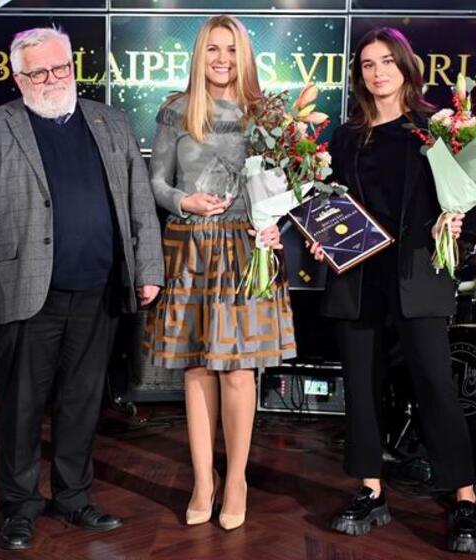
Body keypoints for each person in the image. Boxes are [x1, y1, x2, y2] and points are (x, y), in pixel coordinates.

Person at [0, 27, 164, 550]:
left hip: (99, 289)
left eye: (61, 68)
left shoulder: (111, 122)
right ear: (19, 77)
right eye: (40, 72)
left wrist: (148, 268)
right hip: (26, 292)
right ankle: (19, 507)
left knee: (82, 402)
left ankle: (73, 497)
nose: (53, 79)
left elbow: (139, 201)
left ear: (73, 67)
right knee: (22, 407)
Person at [309, 27, 476, 554]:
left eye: (386, 61)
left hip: (417, 271)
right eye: (367, 64)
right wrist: (321, 238)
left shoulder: (437, 128)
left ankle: (465, 497)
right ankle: (370, 488)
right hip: (358, 272)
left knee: (435, 384)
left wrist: (455, 218)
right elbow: (329, 202)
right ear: (359, 75)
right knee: (361, 384)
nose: (378, 72)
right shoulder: (347, 136)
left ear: (405, 66)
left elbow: (458, 194)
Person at [144, 14, 295, 531]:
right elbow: (157, 182)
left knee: (238, 372)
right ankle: (203, 480)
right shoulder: (176, 110)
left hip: (245, 250)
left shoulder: (266, 113)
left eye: (231, 49)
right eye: (212, 49)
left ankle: (235, 481)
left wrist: (272, 226)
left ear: (244, 55)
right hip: (189, 249)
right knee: (197, 369)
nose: (222, 59)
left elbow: (283, 185)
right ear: (199, 55)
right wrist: (184, 201)